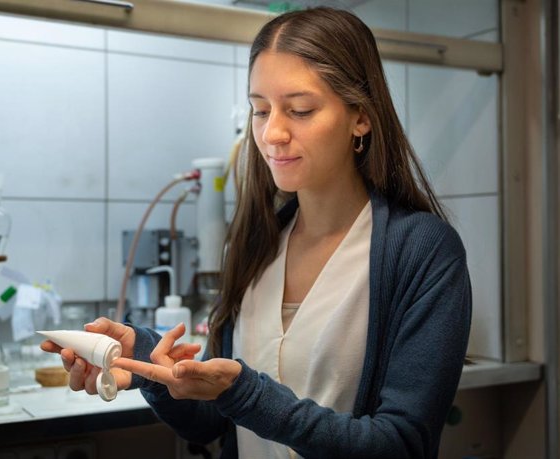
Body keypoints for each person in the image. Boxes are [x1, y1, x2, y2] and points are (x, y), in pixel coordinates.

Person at [41, 7, 472, 458]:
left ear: (360, 117)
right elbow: (211, 423)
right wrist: (147, 360)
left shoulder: (422, 252)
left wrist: (247, 392)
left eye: (300, 110)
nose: (273, 133)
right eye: (260, 110)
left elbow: (401, 446)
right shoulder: (255, 244)